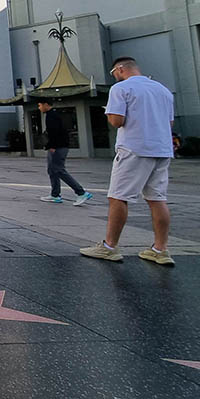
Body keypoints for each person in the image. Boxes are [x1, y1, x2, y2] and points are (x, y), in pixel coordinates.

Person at [80, 57, 175, 266]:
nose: (114, 76)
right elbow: (169, 122)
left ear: (120, 69)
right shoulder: (163, 90)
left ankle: (109, 247)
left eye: (114, 72)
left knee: (118, 196)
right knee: (157, 198)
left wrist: (109, 113)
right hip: (161, 149)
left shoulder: (121, 88)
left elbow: (117, 120)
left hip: (134, 148)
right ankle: (160, 249)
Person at [37, 100, 93, 205]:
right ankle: (55, 195)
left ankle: (81, 192)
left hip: (58, 147)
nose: (39, 108)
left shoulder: (52, 116)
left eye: (40, 105)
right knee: (52, 170)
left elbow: (55, 131)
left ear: (46, 104)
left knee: (58, 170)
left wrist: (52, 145)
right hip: (58, 146)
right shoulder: (53, 114)